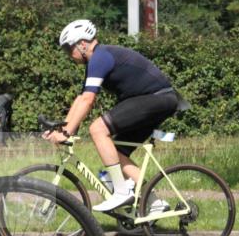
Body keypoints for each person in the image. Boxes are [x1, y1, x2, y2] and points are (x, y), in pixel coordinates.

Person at [44, 19, 180, 213]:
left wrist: (66, 134)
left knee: (97, 129)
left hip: (156, 98)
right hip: (157, 99)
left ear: (82, 44)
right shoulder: (98, 59)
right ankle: (155, 203)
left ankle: (122, 192)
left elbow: (88, 101)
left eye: (69, 49)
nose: (69, 55)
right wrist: (63, 128)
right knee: (118, 153)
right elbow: (81, 98)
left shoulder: (101, 57)